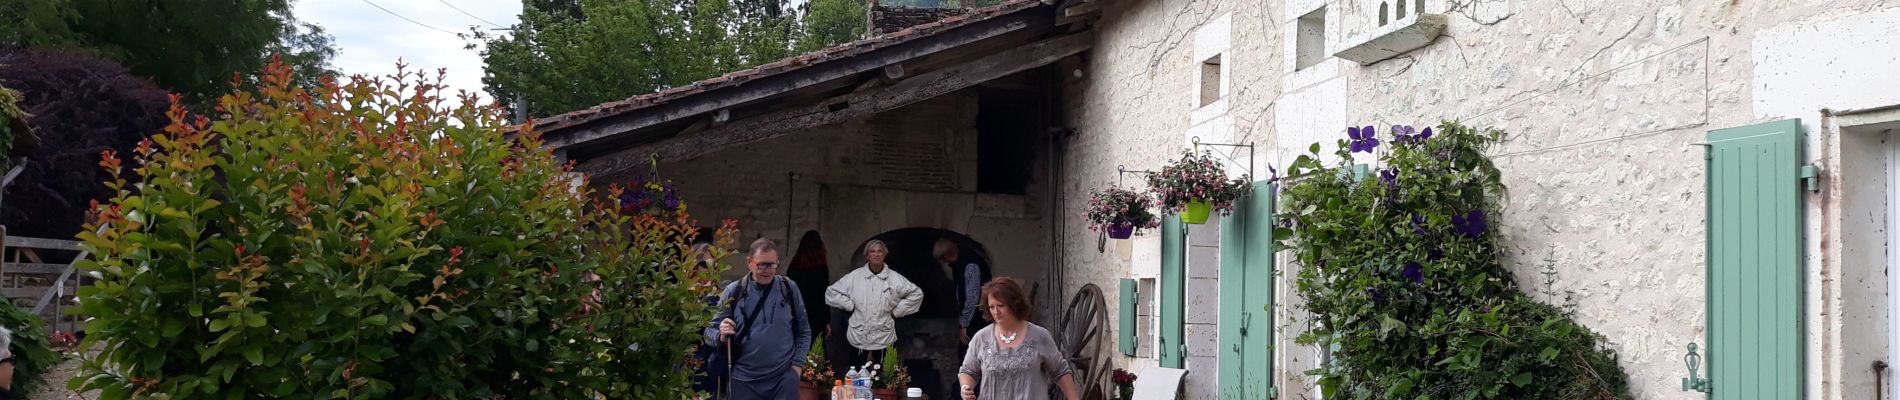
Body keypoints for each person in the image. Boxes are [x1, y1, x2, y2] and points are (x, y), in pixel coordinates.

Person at [704, 238, 812, 400]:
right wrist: (720, 334)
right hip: (743, 381)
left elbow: (804, 331)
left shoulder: (788, 288)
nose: (767, 270)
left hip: (783, 380)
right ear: (749, 262)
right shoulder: (734, 291)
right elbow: (708, 333)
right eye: (762, 265)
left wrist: (796, 367)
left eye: (772, 265)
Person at [957, 278, 1079, 400]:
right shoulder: (981, 338)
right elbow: (968, 371)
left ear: (1014, 304)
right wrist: (965, 388)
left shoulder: (1039, 336)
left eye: (1000, 306)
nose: (996, 312)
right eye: (991, 307)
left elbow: (1061, 372)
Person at [824, 239, 924, 371]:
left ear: (884, 255)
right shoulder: (855, 277)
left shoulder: (894, 278)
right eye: (872, 251)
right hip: (858, 335)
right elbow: (831, 292)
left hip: (884, 335)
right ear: (867, 256)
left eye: (879, 251)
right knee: (856, 374)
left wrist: (897, 311)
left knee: (884, 377)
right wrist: (849, 305)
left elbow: (916, 294)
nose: (876, 254)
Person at [934, 238, 990, 347]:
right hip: (972, 312)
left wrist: (964, 325)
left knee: (968, 348)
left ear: (946, 257)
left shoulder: (970, 266)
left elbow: (972, 298)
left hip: (979, 313)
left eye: (943, 260)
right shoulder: (958, 257)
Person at [785, 231, 833, 338]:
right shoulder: (820, 268)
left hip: (796, 313)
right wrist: (826, 320)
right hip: (815, 315)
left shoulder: (794, 267)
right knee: (814, 350)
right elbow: (823, 296)